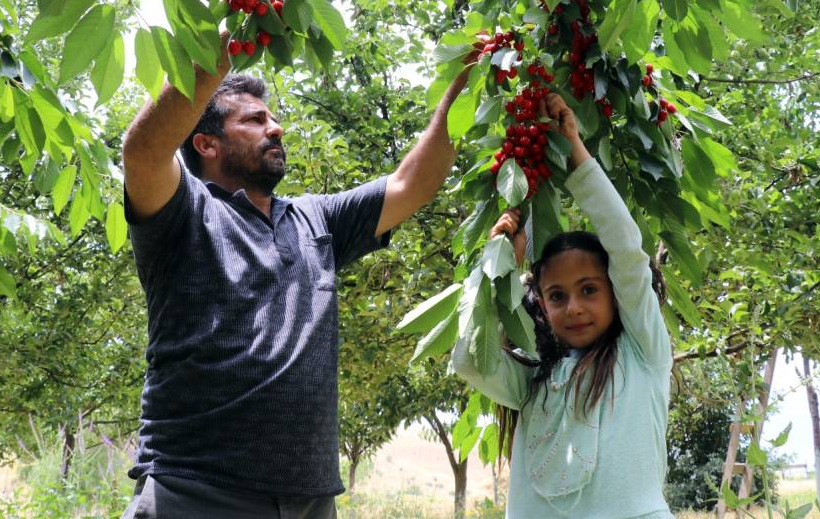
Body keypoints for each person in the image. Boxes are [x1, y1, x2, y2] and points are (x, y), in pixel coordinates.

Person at [120, 39, 471, 519]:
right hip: (198, 491)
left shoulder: (316, 219)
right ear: (206, 143)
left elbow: (413, 183)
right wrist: (223, 43)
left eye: (272, 118)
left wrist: (467, 82)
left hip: (309, 501)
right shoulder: (184, 214)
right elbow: (142, 150)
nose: (276, 128)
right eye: (253, 120)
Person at [452, 93, 673, 519]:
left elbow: (626, 249)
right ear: (539, 304)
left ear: (616, 293)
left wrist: (573, 149)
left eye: (589, 289)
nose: (573, 307)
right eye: (556, 296)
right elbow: (469, 360)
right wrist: (494, 272)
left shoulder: (643, 353)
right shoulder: (534, 380)